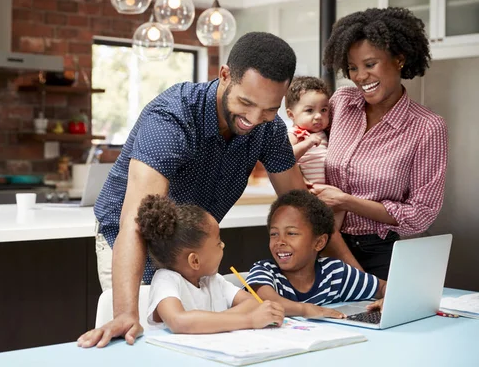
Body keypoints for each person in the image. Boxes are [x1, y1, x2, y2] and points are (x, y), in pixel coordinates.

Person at [78, 32, 305, 348]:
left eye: (269, 109)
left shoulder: (269, 128)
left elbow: (300, 206)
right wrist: (126, 313)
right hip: (134, 239)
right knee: (144, 341)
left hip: (192, 245)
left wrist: (353, 280)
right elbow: (135, 219)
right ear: (225, 75)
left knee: (195, 342)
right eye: (246, 103)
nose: (254, 120)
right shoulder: (173, 116)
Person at [315, 7, 448, 280]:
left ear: (399, 59)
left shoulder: (427, 127)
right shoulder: (341, 103)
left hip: (383, 254)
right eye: (352, 67)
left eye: (370, 64)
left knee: (378, 321)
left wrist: (347, 201)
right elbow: (311, 140)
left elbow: (421, 214)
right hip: (328, 246)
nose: (360, 76)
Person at [141, 195, 284, 334]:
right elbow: (179, 321)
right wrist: (248, 320)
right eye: (218, 243)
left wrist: (213, 322)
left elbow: (252, 303)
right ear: (195, 261)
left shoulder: (213, 280)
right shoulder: (166, 280)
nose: (223, 245)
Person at [246, 190, 385, 314]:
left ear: (319, 242)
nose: (280, 241)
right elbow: (266, 301)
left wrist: (386, 299)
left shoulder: (335, 273)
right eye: (274, 234)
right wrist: (306, 309)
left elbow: (384, 287)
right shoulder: (264, 271)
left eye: (291, 233)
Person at [285, 77, 347, 247]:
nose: (318, 116)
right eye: (309, 110)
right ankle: (328, 241)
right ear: (291, 114)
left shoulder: (324, 133)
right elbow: (286, 157)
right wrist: (306, 143)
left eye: (324, 110)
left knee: (341, 206)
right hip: (310, 190)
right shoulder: (296, 133)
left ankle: (332, 237)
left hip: (324, 191)